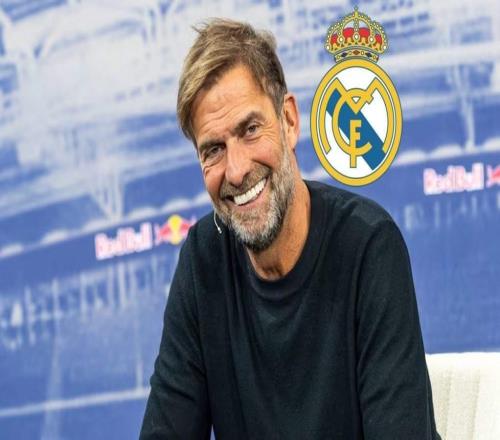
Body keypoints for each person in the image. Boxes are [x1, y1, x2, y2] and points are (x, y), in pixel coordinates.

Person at [140, 19, 440, 439]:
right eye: (213, 150)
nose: (236, 170)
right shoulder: (202, 258)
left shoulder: (368, 246)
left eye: (250, 130)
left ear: (289, 120)